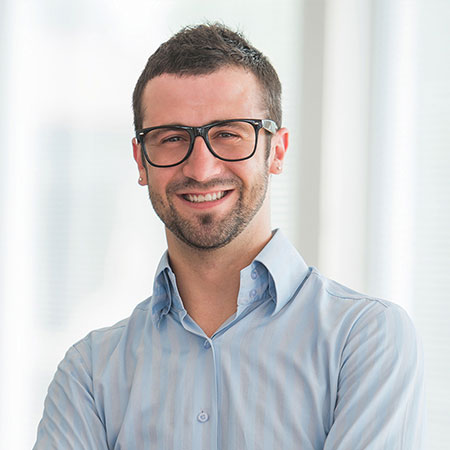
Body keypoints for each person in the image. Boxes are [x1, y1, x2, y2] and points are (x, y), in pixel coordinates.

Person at [34, 23, 425, 449]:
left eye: (227, 134)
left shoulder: (366, 340)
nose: (201, 169)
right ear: (141, 161)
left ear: (276, 151)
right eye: (172, 138)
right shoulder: (89, 375)